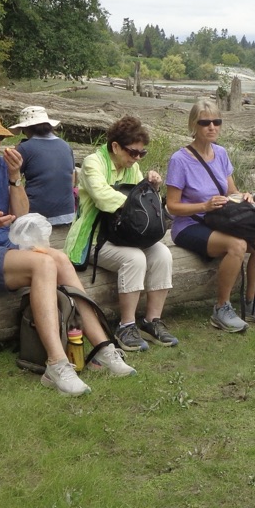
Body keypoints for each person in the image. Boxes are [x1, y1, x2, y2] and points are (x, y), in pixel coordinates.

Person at [0, 106, 135, 397]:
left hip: (4, 244)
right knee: (42, 264)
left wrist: (15, 178)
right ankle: (56, 363)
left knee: (60, 259)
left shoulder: (3, 167)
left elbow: (22, 215)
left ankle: (103, 347)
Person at [65, 115, 176, 350]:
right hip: (93, 238)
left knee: (163, 254)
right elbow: (103, 197)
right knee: (134, 259)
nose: (137, 158)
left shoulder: (132, 167)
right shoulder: (93, 163)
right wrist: (137, 203)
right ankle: (126, 325)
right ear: (115, 146)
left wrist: (153, 187)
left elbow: (144, 200)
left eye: (142, 153)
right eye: (133, 152)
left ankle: (152, 321)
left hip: (125, 234)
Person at [166, 98, 255, 332]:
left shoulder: (221, 153)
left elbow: (231, 191)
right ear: (193, 125)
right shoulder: (180, 160)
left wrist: (243, 196)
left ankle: (252, 301)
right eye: (205, 122)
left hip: (219, 220)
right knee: (237, 245)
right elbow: (172, 207)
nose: (212, 127)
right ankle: (221, 307)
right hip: (189, 224)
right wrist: (204, 206)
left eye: (216, 122)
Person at [10, 106, 77, 226]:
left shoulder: (25, 148)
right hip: (68, 214)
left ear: (25, 129)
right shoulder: (66, 146)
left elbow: (11, 177)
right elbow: (72, 181)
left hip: (36, 217)